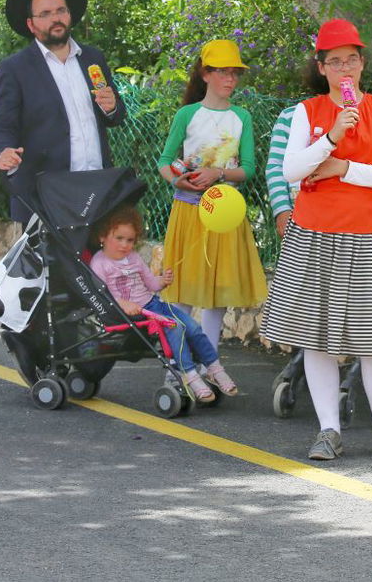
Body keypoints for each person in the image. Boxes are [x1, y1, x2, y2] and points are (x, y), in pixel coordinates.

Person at [260, 18, 372, 461]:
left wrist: (343, 169)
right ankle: (329, 431)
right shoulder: (306, 112)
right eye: (334, 62)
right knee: (315, 337)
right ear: (321, 67)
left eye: (351, 60)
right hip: (313, 234)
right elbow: (289, 170)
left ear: (362, 62)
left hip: (368, 234)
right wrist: (331, 137)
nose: (344, 69)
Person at [155, 39, 268, 351]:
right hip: (189, 211)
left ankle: (210, 360)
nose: (230, 79)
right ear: (205, 75)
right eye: (222, 72)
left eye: (234, 73)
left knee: (219, 294)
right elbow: (165, 163)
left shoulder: (241, 117)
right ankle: (179, 365)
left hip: (225, 215)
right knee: (183, 292)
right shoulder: (187, 114)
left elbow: (247, 169)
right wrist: (178, 182)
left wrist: (218, 173)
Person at [0, 0, 124, 225]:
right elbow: (2, 124)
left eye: (61, 10)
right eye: (45, 14)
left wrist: (112, 107)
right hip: (45, 193)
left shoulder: (92, 58)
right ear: (31, 24)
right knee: (48, 265)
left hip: (97, 187)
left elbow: (116, 116)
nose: (56, 19)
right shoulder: (15, 68)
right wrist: (3, 151)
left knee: (94, 265)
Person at [88, 205, 237, 401]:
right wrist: (122, 303)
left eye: (130, 240)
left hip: (153, 305)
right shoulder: (99, 263)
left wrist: (163, 281)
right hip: (131, 313)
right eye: (119, 238)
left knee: (193, 327)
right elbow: (100, 295)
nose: (125, 245)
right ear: (102, 237)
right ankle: (189, 375)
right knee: (175, 328)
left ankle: (214, 368)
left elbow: (150, 283)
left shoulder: (133, 257)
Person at [265, 102, 299, 237]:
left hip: (353, 217)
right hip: (299, 217)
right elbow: (276, 166)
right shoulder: (290, 115)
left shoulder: (361, 113)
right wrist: (282, 210)